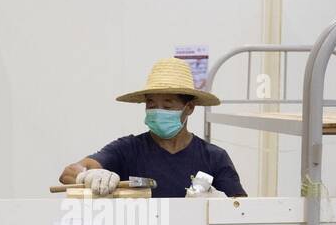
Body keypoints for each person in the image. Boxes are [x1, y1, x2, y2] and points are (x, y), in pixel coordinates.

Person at [58, 58, 247, 198]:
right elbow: (68, 173)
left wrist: (218, 202)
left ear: (189, 108)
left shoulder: (213, 157)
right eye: (151, 104)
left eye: (167, 106)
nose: (158, 111)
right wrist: (87, 176)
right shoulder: (127, 150)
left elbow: (241, 211)